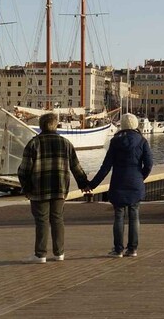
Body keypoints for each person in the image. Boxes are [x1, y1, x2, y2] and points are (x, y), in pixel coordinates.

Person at [17, 112, 91, 264]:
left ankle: (40, 255)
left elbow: (24, 169)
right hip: (59, 187)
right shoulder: (65, 143)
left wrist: (26, 187)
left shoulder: (33, 143)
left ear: (41, 126)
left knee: (42, 221)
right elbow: (75, 166)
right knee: (57, 219)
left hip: (38, 189)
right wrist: (83, 184)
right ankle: (59, 253)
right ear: (55, 125)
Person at [88, 113, 153, 258]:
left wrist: (92, 184)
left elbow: (105, 167)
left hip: (118, 182)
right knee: (134, 216)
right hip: (135, 182)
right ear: (136, 124)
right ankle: (133, 249)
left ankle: (118, 249)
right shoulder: (142, 141)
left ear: (122, 125)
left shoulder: (115, 142)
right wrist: (140, 176)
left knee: (119, 216)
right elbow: (149, 164)